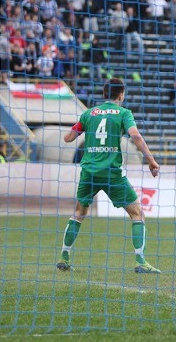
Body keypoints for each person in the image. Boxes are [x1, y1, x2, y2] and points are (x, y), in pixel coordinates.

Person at [57, 78, 161, 273]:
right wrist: (151, 160)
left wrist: (84, 128)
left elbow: (68, 138)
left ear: (104, 94)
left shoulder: (89, 113)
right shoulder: (123, 113)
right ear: (121, 95)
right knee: (137, 213)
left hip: (89, 171)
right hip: (112, 173)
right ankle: (140, 262)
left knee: (79, 213)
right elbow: (135, 135)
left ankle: (64, 256)